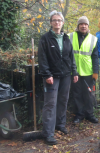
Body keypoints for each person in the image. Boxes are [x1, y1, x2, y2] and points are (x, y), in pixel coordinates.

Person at [38, 10, 78, 145]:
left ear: (63, 22)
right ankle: (48, 133)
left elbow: (71, 57)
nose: (57, 22)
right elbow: (42, 59)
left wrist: (74, 72)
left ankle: (60, 125)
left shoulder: (66, 38)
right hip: (51, 77)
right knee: (50, 103)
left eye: (59, 20)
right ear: (51, 22)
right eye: (54, 20)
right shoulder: (45, 39)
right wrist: (47, 74)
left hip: (66, 75)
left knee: (63, 100)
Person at [68, 16, 99, 124]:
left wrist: (96, 72)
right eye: (81, 24)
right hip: (74, 71)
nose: (83, 26)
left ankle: (90, 114)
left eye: (85, 24)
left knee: (89, 94)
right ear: (78, 26)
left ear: (88, 26)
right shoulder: (70, 37)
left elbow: (95, 57)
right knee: (77, 94)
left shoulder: (93, 39)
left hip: (88, 71)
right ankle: (79, 115)